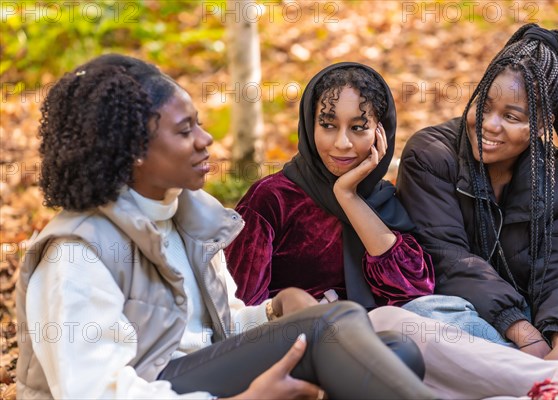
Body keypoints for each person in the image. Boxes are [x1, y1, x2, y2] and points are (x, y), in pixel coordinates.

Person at [15, 54, 436, 400]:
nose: (205, 139)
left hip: (204, 371)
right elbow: (93, 392)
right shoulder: (78, 251)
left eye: (198, 123)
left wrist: (275, 308)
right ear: (134, 151)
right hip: (158, 388)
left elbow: (221, 326)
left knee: (398, 352)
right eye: (185, 131)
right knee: (332, 326)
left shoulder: (189, 214)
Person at [224, 61, 558, 399]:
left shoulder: (382, 199)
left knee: (420, 313)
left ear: (381, 133)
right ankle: (552, 379)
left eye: (358, 128)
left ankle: (543, 383)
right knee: (392, 321)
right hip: (301, 351)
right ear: (309, 126)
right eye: (327, 126)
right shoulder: (272, 199)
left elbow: (411, 288)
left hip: (388, 347)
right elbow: (240, 313)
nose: (341, 143)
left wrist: (350, 198)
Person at [396, 23, 558, 361]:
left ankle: (548, 374)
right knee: (421, 315)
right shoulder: (431, 156)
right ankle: (532, 377)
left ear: (541, 124)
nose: (490, 124)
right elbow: (447, 259)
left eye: (511, 116)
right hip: (480, 325)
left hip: (547, 328)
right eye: (485, 106)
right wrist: (524, 335)